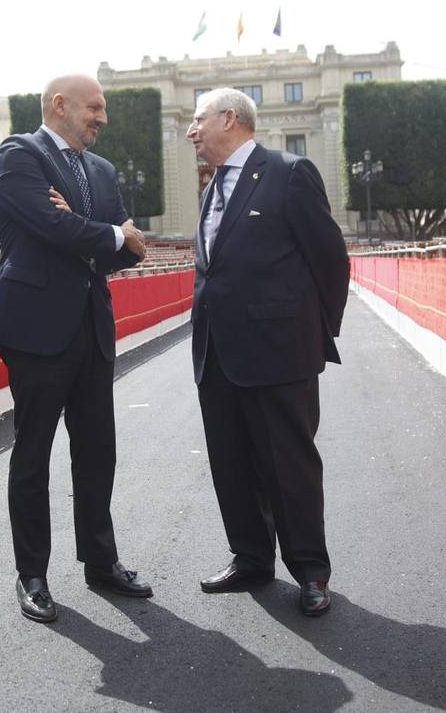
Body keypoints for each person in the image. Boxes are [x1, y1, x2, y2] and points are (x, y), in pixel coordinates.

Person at [0, 73, 152, 624]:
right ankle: (32, 575)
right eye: (94, 108)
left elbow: (128, 252)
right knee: (33, 454)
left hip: (92, 327)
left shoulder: (100, 169)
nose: (102, 118)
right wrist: (106, 231)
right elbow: (53, 227)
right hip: (35, 330)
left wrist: (99, 233)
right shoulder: (18, 155)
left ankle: (101, 562)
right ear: (60, 105)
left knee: (97, 450)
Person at [186, 87, 349, 617]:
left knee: (289, 467)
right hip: (216, 355)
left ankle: (310, 571)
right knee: (230, 464)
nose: (191, 130)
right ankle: (251, 558)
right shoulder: (211, 188)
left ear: (229, 119)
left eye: (199, 119)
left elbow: (330, 259)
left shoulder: (289, 172)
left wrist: (312, 333)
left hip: (280, 353)